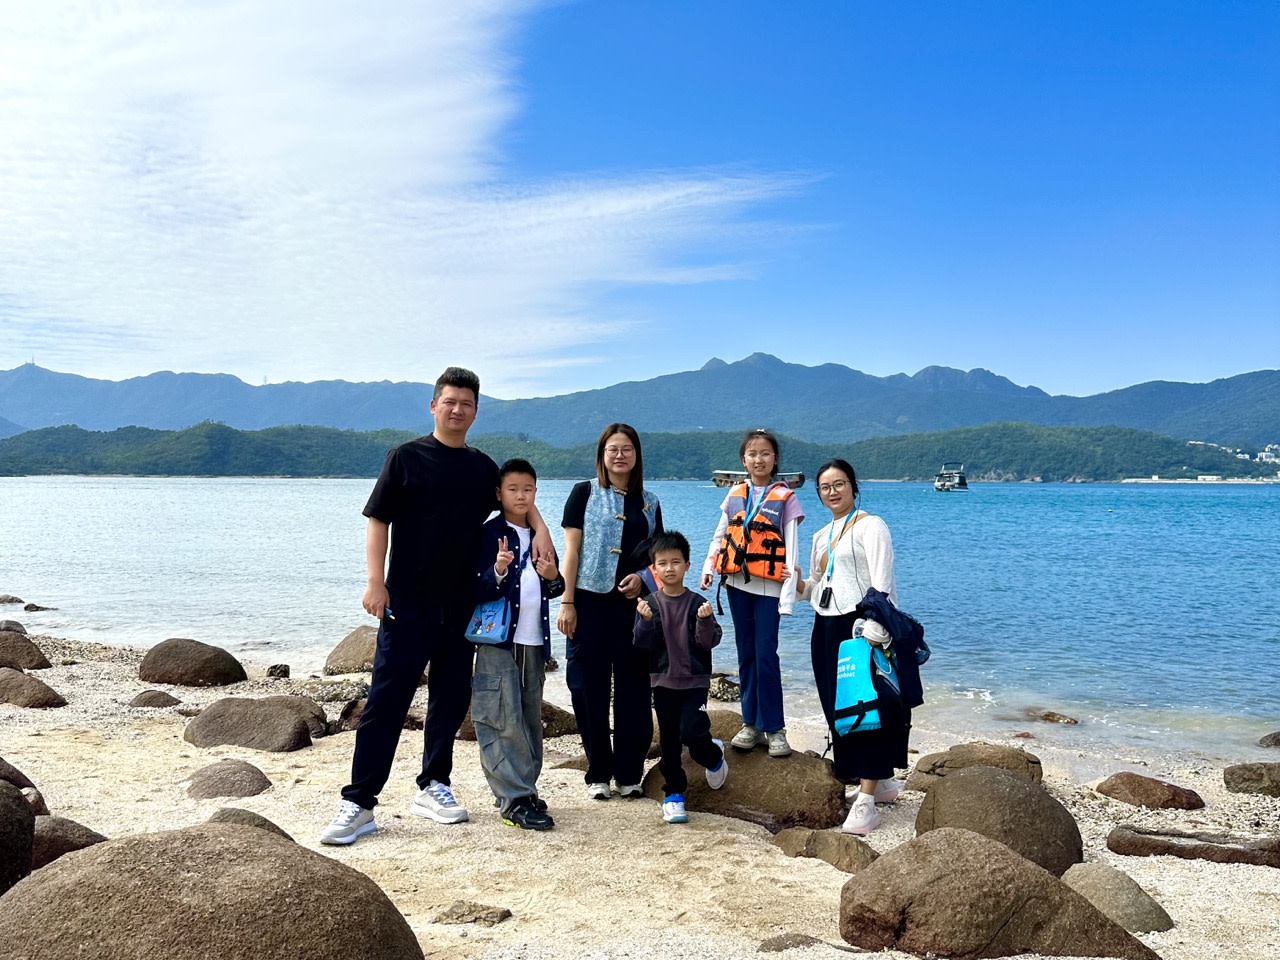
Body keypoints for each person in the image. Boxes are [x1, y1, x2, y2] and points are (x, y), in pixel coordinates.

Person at [320, 367, 552, 845]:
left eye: (466, 403)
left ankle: (434, 785)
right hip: (407, 601)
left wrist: (543, 532)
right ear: (433, 405)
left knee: (449, 699)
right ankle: (360, 801)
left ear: (475, 410)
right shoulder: (405, 458)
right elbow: (378, 520)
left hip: (463, 604)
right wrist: (374, 582)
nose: (457, 409)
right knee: (387, 700)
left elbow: (518, 502)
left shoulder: (482, 468)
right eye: (449, 401)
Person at [797, 458, 907, 835]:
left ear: (853, 486)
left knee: (864, 707)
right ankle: (879, 782)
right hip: (824, 625)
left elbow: (883, 580)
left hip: (860, 625)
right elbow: (816, 585)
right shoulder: (820, 535)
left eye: (839, 484)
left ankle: (866, 801)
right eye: (825, 487)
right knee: (834, 705)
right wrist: (796, 586)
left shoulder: (870, 526)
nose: (833, 491)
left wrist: (876, 625)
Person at [557, 423, 663, 800]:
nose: (620, 455)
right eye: (613, 449)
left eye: (627, 449)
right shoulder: (583, 493)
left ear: (637, 456)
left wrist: (642, 578)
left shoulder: (650, 501)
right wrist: (566, 601)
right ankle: (598, 771)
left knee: (635, 690)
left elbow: (659, 560)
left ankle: (630, 774)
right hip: (587, 603)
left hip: (635, 610)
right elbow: (571, 551)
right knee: (588, 689)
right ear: (602, 454)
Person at [471, 459, 564, 830]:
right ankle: (513, 799)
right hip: (498, 640)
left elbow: (553, 590)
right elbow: (473, 586)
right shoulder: (489, 532)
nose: (521, 495)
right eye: (513, 489)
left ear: (536, 493)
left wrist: (554, 576)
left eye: (528, 489)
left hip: (534, 640)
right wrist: (497, 571)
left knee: (528, 720)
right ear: (499, 494)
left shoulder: (540, 535)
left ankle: (526, 789)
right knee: (498, 717)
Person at [700, 429, 804, 758]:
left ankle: (774, 728)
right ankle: (750, 724)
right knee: (746, 654)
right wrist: (707, 566)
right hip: (736, 584)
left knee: (765, 655)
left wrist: (788, 596)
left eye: (765, 453)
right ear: (743, 460)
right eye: (752, 454)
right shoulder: (734, 494)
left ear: (775, 459)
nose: (758, 459)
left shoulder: (785, 497)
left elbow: (793, 548)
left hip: (769, 586)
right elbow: (720, 536)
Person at [634, 531, 727, 824]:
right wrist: (646, 622)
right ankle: (674, 793)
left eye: (676, 562)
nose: (670, 568)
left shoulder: (698, 602)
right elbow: (641, 643)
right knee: (670, 742)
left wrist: (704, 619)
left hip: (694, 683)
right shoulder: (649, 603)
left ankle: (713, 757)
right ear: (654, 568)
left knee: (693, 734)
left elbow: (709, 642)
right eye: (663, 563)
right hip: (663, 684)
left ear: (687, 565)